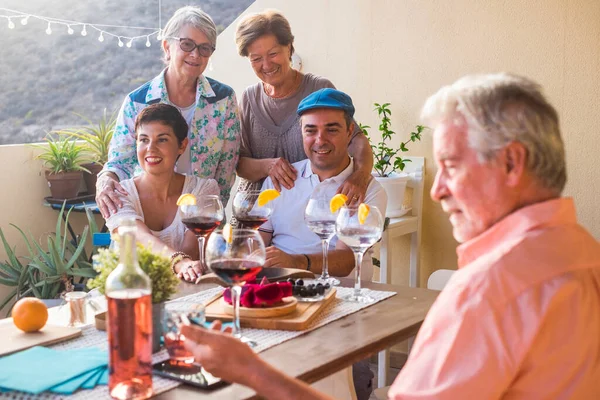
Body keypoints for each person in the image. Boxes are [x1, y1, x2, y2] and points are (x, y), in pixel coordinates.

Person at [180, 73, 600, 399]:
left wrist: (250, 370)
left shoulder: (493, 289)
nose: (437, 190)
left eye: (451, 166)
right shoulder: (581, 251)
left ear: (511, 163)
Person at [96, 6, 241, 218]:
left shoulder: (223, 99)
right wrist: (105, 178)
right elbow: (120, 161)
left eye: (204, 48)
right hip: (148, 215)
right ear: (167, 47)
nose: (195, 54)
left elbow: (227, 169)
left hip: (201, 217)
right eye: (187, 44)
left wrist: (211, 211)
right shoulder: (137, 102)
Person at [234, 10, 374, 206]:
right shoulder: (248, 98)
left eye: (273, 54)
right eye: (256, 58)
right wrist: (268, 166)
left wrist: (361, 175)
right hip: (258, 210)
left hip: (311, 210)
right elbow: (239, 163)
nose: (266, 65)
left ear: (289, 48)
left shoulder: (318, 89)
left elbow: (356, 140)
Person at [259, 88, 387, 285]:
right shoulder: (281, 178)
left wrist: (296, 262)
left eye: (332, 129)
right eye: (310, 130)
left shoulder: (368, 190)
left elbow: (347, 260)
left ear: (350, 132)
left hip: (342, 295)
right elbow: (257, 242)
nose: (320, 140)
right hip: (277, 289)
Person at [105, 103, 219, 283]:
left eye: (162, 139)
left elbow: (191, 252)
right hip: (128, 293)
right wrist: (179, 262)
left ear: (182, 146)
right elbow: (140, 237)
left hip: (184, 293)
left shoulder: (203, 190)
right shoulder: (119, 193)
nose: (151, 148)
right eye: (143, 140)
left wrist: (184, 263)